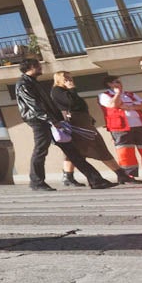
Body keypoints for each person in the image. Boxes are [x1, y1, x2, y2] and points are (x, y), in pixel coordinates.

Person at [14, 59, 112, 191]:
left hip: (50, 120)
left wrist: (58, 120)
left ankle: (96, 180)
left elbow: (46, 104)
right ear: (30, 67)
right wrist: (52, 120)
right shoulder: (24, 84)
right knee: (41, 150)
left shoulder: (33, 82)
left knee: (72, 150)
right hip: (40, 121)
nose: (41, 67)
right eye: (37, 65)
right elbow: (34, 105)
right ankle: (37, 182)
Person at [49, 71, 136, 186]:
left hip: (82, 121)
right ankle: (120, 174)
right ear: (59, 79)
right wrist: (72, 89)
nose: (69, 80)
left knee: (76, 149)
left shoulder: (66, 91)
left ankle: (68, 176)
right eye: (66, 78)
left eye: (70, 78)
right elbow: (71, 102)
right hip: (76, 122)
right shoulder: (57, 91)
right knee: (95, 146)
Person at [98, 78, 142, 180]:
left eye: (119, 82)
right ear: (109, 84)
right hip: (121, 127)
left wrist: (128, 107)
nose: (119, 84)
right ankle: (129, 174)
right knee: (126, 152)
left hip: (140, 126)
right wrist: (117, 94)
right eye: (116, 82)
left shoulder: (130, 94)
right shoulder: (104, 95)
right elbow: (113, 105)